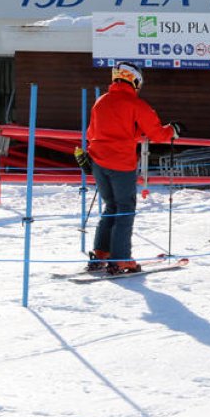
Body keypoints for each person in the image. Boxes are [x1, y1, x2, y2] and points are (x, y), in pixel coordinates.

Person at [85, 62, 180, 274]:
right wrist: (172, 130)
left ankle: (101, 252)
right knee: (125, 209)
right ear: (134, 81)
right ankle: (121, 258)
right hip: (121, 164)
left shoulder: (100, 102)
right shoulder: (135, 104)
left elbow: (92, 133)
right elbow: (157, 134)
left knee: (110, 207)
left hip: (99, 161)